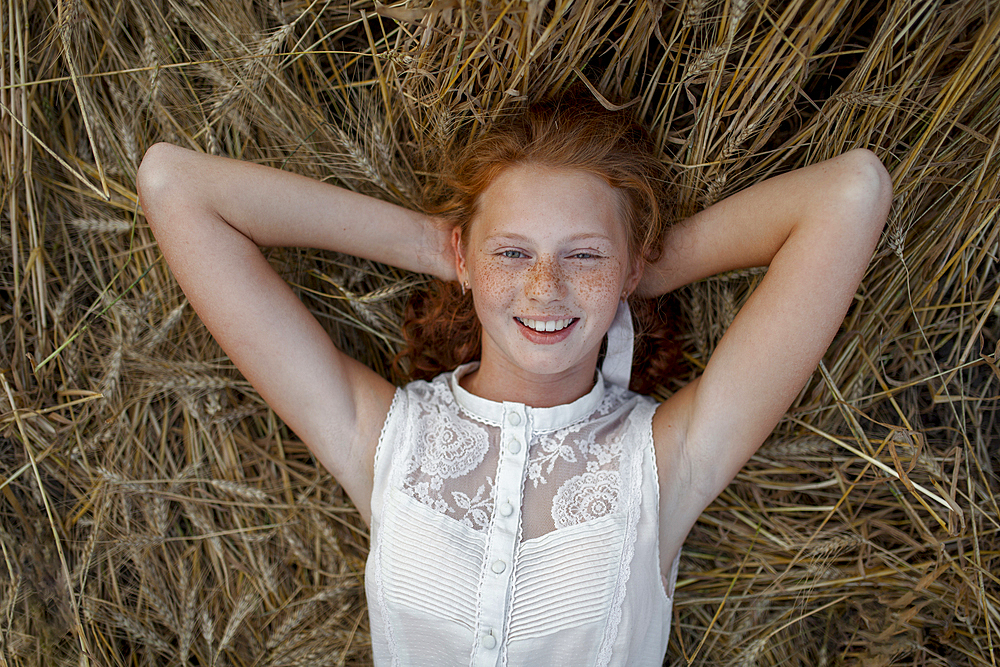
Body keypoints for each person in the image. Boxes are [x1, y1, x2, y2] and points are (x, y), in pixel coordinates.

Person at [136, 93, 891, 666]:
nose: (545, 289)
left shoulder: (664, 462)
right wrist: (442, 245)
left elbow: (851, 193)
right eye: (513, 254)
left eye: (583, 256)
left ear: (631, 266)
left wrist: (632, 268)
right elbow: (174, 186)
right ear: (467, 258)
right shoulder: (385, 439)